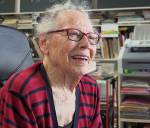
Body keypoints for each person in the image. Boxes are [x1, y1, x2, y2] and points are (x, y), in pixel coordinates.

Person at [0, 1, 102, 128]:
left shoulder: (90, 88)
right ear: (44, 43)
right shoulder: (22, 90)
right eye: (74, 34)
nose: (86, 44)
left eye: (91, 37)